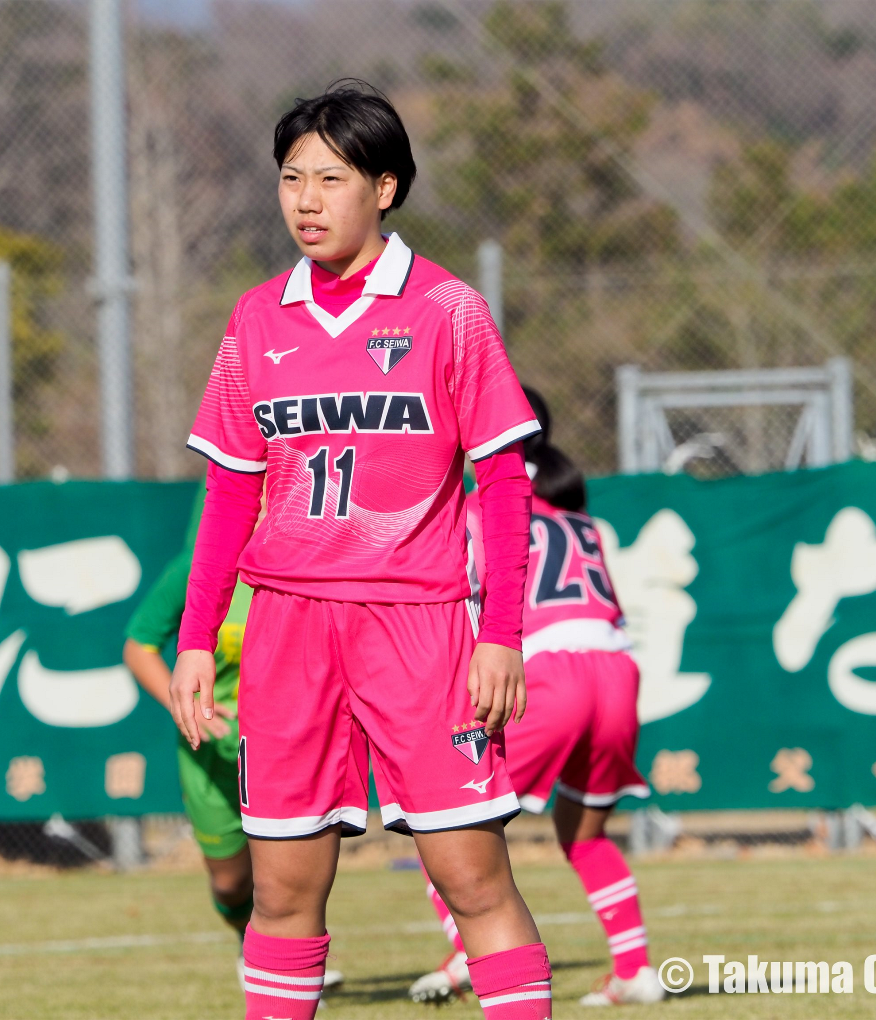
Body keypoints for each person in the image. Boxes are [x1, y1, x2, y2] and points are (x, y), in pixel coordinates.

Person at [170, 80, 555, 1020]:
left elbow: (502, 482)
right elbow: (230, 493)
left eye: (330, 179)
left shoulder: (448, 312)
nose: (305, 200)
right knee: (285, 894)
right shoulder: (257, 320)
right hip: (288, 632)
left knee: (474, 881)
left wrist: (501, 632)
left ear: (384, 187)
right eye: (291, 178)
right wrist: (195, 636)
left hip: (418, 629)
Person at [408, 387, 665, 1007]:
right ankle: (635, 969)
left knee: (444, 826)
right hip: (615, 671)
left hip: (546, 674)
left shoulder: (476, 506)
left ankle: (475, 953)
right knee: (585, 834)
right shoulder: (580, 520)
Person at [122, 487, 342, 993]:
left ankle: (286, 964)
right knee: (230, 881)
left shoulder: (306, 558)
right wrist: (187, 705)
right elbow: (139, 645)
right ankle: (252, 945)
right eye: (257, 490)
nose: (268, 499)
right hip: (212, 754)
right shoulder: (197, 566)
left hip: (286, 747)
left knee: (285, 876)